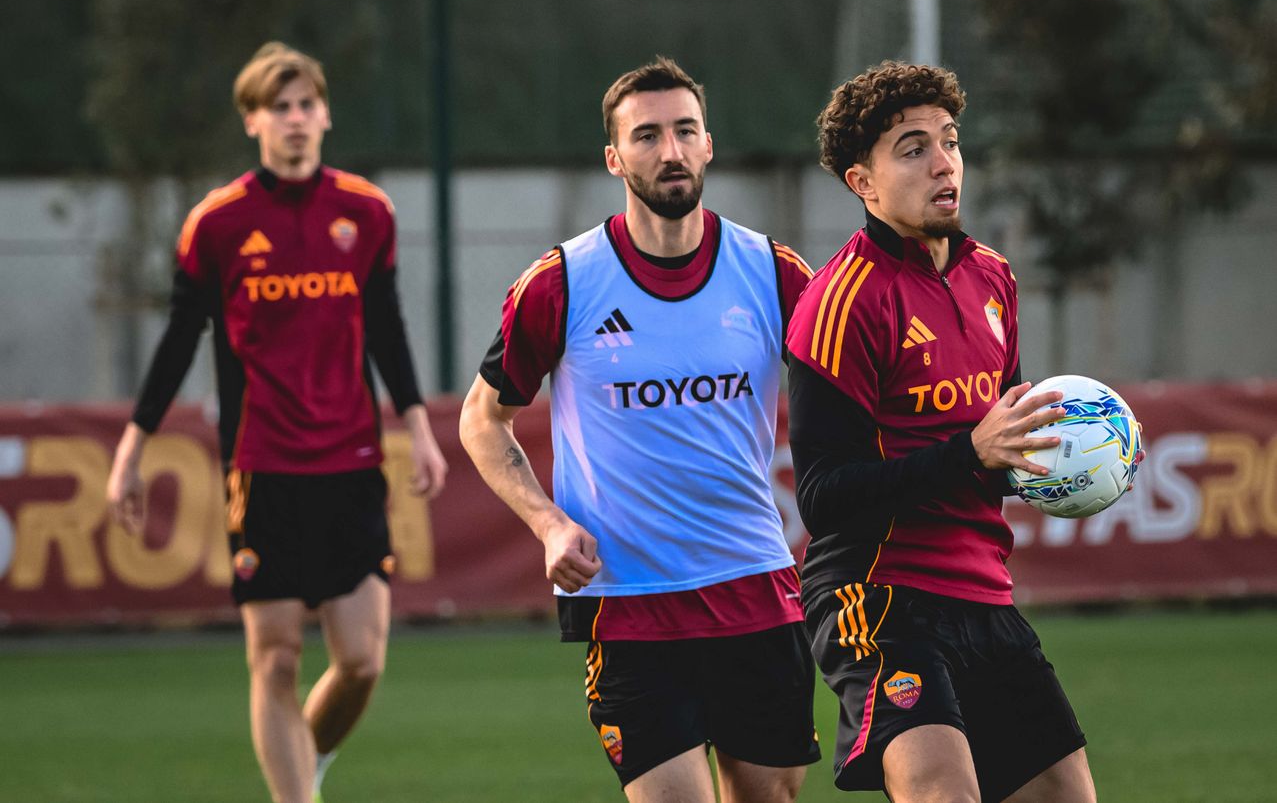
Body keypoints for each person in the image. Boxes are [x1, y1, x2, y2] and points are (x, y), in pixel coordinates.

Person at [459, 57, 820, 802]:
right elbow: (481, 420)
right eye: (647, 135)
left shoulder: (773, 271)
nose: (670, 150)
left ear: (708, 145)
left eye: (685, 131)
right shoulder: (562, 282)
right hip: (629, 602)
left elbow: (856, 396)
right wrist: (548, 524)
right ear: (614, 158)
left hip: (755, 587)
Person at [105, 41, 448, 803]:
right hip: (262, 467)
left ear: (325, 115)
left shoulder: (366, 212)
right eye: (278, 107)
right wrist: (132, 449)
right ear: (252, 121)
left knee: (361, 661)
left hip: (352, 461)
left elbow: (386, 327)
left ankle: (305, 759)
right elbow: (177, 340)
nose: (294, 119)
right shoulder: (218, 223)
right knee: (277, 659)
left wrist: (419, 426)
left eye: (305, 105)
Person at [785, 60, 1097, 803]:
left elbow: (1002, 447)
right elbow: (822, 497)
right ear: (863, 183)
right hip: (876, 594)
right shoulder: (840, 301)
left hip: (984, 591)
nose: (943, 162)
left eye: (950, 141)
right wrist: (969, 452)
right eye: (913, 148)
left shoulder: (993, 278)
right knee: (943, 792)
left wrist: (1085, 453)